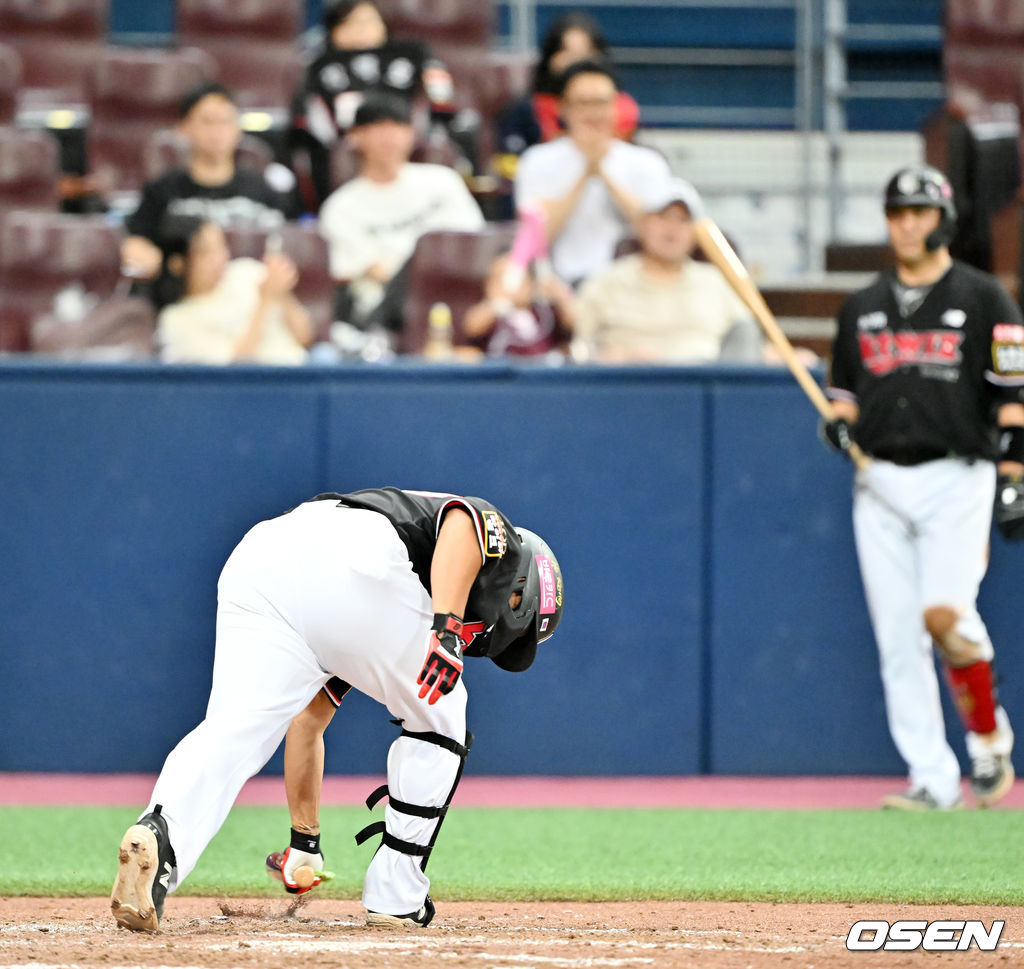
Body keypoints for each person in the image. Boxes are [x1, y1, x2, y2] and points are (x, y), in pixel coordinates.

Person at [110, 487, 563, 931]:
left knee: (234, 731)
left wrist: (304, 841)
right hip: (354, 557)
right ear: (518, 594)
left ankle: (161, 831)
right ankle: (396, 897)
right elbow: (463, 523)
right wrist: (446, 630)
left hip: (262, 561)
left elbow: (307, 725)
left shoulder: (375, 619)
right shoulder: (502, 540)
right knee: (443, 714)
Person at [822, 164, 1024, 810]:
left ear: (942, 219)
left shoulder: (987, 297)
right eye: (896, 212)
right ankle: (932, 777)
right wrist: (839, 426)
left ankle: (988, 735)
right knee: (897, 635)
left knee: (945, 613)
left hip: (958, 475)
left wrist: (1015, 476)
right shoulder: (862, 306)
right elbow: (847, 397)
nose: (906, 223)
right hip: (877, 480)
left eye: (918, 211)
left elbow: (1012, 396)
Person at [318, 94, 484, 335]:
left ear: (412, 133)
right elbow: (366, 271)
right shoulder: (339, 208)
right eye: (378, 128)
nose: (389, 137)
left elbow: (472, 241)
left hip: (455, 297)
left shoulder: (443, 182)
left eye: (398, 126)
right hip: (386, 315)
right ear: (355, 136)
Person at [291, 0, 475, 208]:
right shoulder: (318, 63)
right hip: (347, 136)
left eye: (368, 22)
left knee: (461, 133)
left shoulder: (412, 52)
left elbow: (440, 90)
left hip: (409, 131)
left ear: (384, 25)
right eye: (350, 23)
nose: (360, 30)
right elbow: (305, 110)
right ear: (333, 30)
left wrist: (434, 123)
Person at [514, 60, 673, 288]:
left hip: (634, 284)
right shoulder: (536, 161)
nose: (593, 112)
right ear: (563, 108)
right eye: (583, 103)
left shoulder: (648, 163)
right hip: (561, 286)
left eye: (601, 102)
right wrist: (584, 174)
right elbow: (535, 239)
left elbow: (661, 238)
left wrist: (604, 173)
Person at [121, 83, 294, 289]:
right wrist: (142, 252)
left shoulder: (262, 191)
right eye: (207, 121)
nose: (217, 131)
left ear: (238, 128)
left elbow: (291, 244)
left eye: (226, 121)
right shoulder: (161, 191)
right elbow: (133, 242)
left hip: (251, 298)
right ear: (184, 127)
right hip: (184, 301)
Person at [571, 178, 762, 364]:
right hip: (630, 386)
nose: (672, 228)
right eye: (662, 216)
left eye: (683, 219)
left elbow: (751, 348)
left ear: (696, 234)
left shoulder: (716, 283)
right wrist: (618, 357)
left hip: (703, 385)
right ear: (641, 225)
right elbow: (577, 350)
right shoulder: (606, 281)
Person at [155, 216, 313, 365]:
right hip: (261, 384)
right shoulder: (177, 320)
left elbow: (305, 337)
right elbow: (234, 371)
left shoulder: (247, 271)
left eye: (221, 246)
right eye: (206, 252)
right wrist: (264, 301)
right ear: (178, 264)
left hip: (300, 367)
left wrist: (281, 292)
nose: (220, 257)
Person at [496, 12, 640, 160]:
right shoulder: (527, 110)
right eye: (566, 51)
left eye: (584, 52)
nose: (575, 61)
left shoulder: (622, 106)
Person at [463, 252, 575, 357]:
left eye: (516, 277)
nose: (508, 285)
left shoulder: (544, 314)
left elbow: (572, 324)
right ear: (488, 286)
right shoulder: (490, 317)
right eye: (499, 278)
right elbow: (472, 326)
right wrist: (499, 305)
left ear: (531, 283)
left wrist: (559, 294)